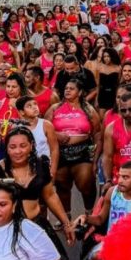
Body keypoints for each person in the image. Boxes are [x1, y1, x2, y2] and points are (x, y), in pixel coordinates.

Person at [0, 125, 74, 256]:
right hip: (4, 231)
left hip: (36, 227)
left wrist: (67, 224)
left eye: (23, 146)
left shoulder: (42, 166)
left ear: (31, 145)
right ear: (6, 148)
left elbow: (50, 196)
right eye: (12, 147)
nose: (18, 151)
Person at [43, 78, 101, 214]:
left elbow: (97, 133)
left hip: (82, 150)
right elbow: (44, 128)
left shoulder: (88, 110)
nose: (67, 90)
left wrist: (96, 158)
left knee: (86, 183)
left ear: (79, 92)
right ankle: (66, 217)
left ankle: (89, 213)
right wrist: (56, 135)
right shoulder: (55, 108)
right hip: (60, 151)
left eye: (72, 88)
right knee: (62, 185)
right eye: (66, 88)